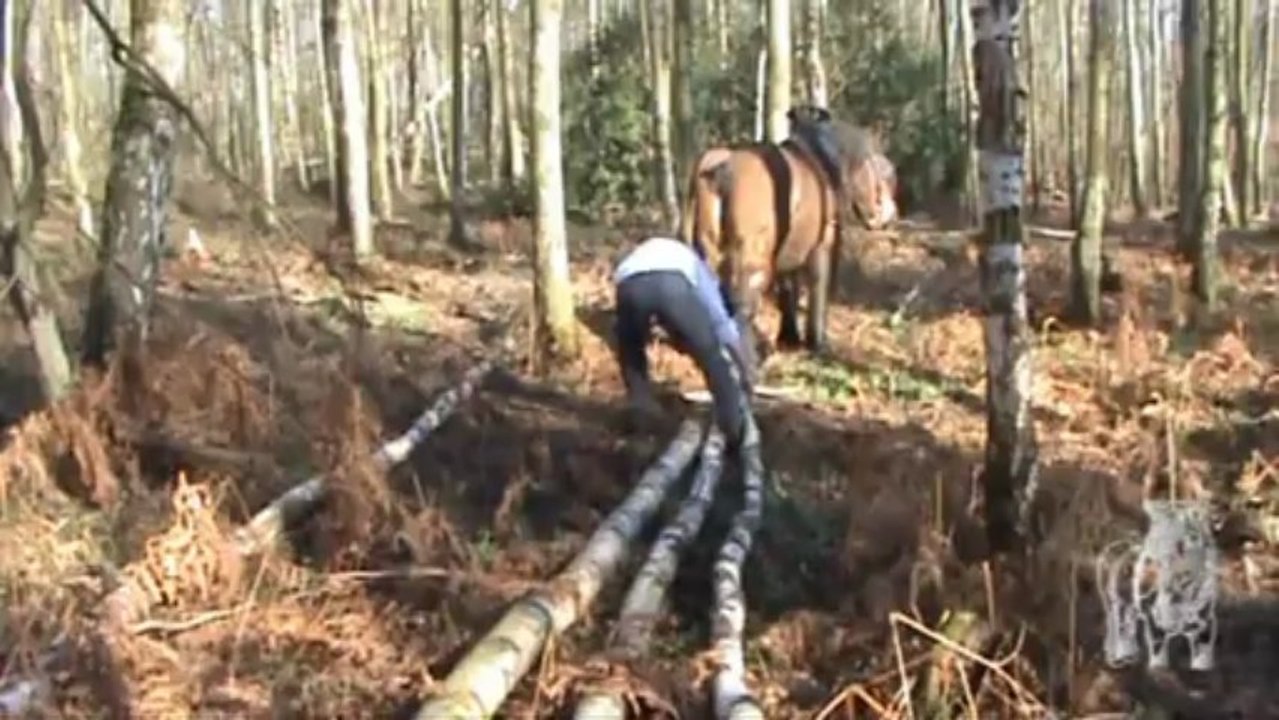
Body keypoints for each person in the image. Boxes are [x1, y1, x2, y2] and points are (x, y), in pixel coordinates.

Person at [612, 235, 755, 449]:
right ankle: (734, 427)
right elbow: (721, 323)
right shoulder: (695, 265)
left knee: (632, 353)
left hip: (628, 284)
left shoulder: (641, 253)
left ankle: (640, 415)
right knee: (712, 357)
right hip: (672, 285)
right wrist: (745, 372)